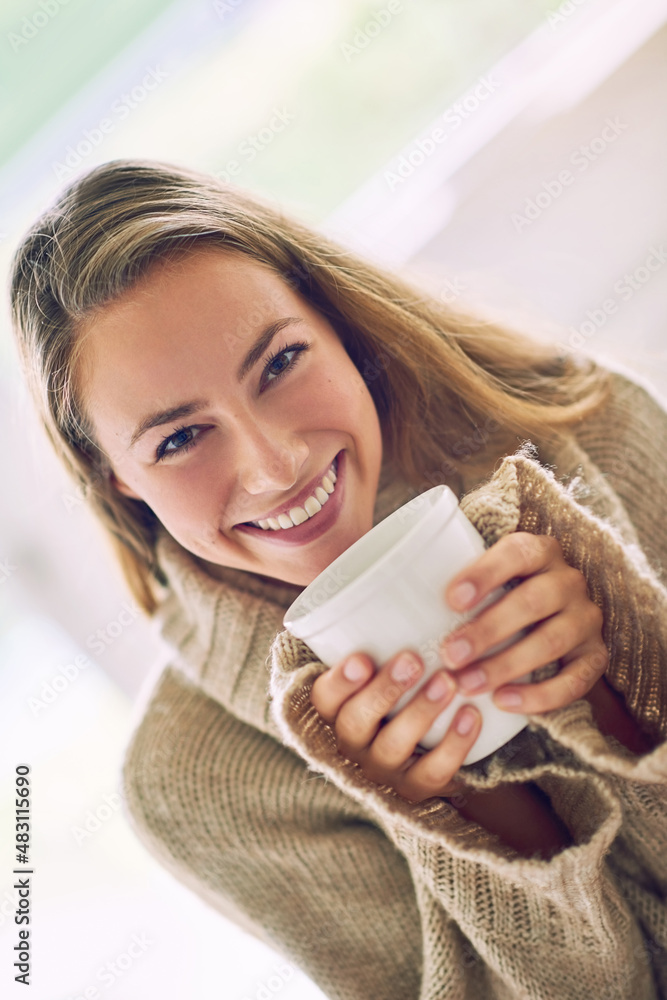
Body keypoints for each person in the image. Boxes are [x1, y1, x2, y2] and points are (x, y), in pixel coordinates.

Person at [10, 159, 667, 999]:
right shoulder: (197, 788)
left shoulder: (585, 428)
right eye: (177, 440)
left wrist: (624, 684)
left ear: (336, 326)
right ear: (120, 483)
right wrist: (470, 821)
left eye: (280, 363)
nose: (272, 465)